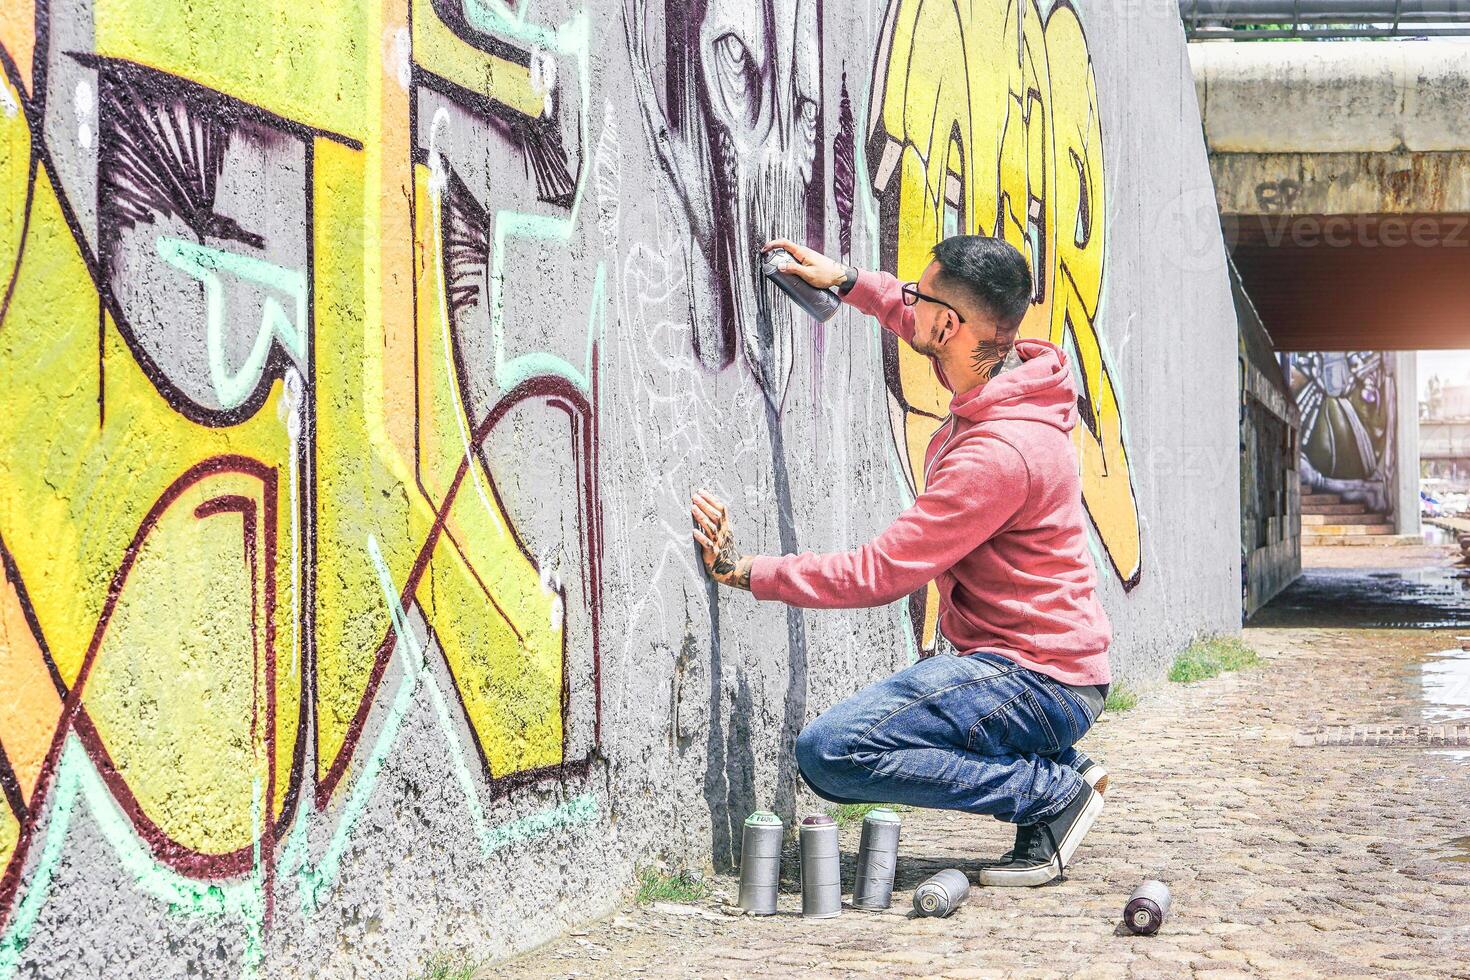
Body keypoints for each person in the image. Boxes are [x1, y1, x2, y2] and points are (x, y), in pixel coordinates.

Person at [689, 235, 1112, 886]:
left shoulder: (995, 457)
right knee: (900, 715)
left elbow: (878, 574)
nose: (906, 301)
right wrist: (850, 281)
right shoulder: (1021, 374)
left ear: (948, 324)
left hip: (1033, 679)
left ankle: (1049, 794)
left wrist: (748, 571)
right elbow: (911, 313)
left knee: (832, 752)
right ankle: (1054, 760)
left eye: (921, 295)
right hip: (1057, 670)